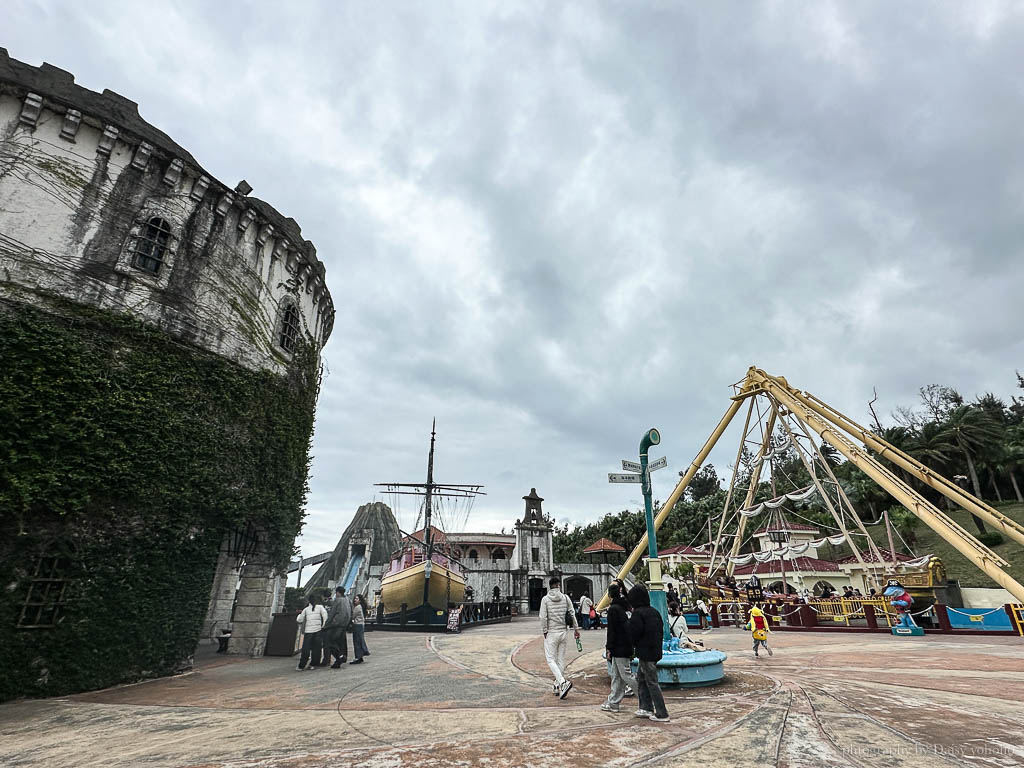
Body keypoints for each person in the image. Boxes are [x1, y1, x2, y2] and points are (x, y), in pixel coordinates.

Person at [627, 584, 670, 723]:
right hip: (655, 651)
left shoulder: (638, 614)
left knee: (651, 682)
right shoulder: (654, 612)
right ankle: (645, 707)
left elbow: (634, 633)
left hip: (645, 652)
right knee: (641, 678)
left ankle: (662, 712)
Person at [539, 576, 580, 699]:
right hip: (563, 631)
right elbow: (572, 613)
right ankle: (557, 685)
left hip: (551, 632)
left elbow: (543, 617)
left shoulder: (545, 599)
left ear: (550, 586)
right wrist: (576, 629)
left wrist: (544, 630)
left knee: (551, 659)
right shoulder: (566, 598)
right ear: (558, 585)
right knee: (561, 659)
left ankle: (562, 682)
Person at [600, 582, 637, 713]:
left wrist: (608, 647)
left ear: (609, 595)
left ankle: (644, 697)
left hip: (618, 647)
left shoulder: (613, 609)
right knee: (616, 675)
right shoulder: (624, 607)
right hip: (624, 645)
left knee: (626, 675)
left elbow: (612, 631)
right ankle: (613, 702)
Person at [296, 595, 329, 671]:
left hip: (308, 632)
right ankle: (313, 664)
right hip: (318, 631)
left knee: (306, 649)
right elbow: (325, 616)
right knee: (316, 649)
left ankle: (301, 665)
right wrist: (323, 625)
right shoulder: (320, 607)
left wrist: (298, 616)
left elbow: (300, 620)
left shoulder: (306, 609)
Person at [323, 585, 351, 668]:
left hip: (336, 625)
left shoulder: (337, 600)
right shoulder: (347, 600)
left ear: (338, 593)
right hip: (344, 625)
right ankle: (339, 660)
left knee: (330, 643)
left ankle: (340, 657)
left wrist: (326, 625)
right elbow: (351, 611)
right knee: (340, 643)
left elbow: (332, 614)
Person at [349, 594, 369, 663]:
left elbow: (352, 616)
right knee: (360, 640)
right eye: (355, 598)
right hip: (361, 624)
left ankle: (358, 656)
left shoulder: (357, 607)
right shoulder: (361, 607)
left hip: (357, 625)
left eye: (357, 599)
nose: (355, 600)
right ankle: (360, 655)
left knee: (357, 641)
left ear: (360, 600)